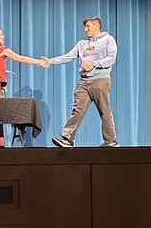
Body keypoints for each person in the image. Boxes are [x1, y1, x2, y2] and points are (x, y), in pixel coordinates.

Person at [42, 17, 119, 148]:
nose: (86, 29)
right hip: (84, 82)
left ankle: (111, 141)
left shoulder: (108, 39)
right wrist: (50, 61)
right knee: (77, 110)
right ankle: (67, 139)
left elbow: (111, 58)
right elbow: (68, 56)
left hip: (100, 80)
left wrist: (95, 64)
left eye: (88, 26)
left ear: (96, 26)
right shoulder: (81, 44)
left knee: (104, 110)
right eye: (85, 27)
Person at [0, 27, 48, 148]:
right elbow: (21, 58)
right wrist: (38, 62)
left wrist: (3, 70)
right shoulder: (1, 50)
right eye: (1, 35)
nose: (3, 37)